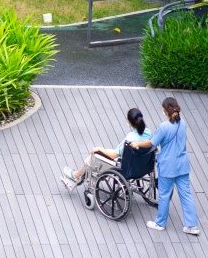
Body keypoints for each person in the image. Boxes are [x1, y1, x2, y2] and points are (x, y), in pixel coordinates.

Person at [131, 96, 200, 234]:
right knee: (186, 195)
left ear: (165, 110)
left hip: (168, 166)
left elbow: (151, 143)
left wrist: (137, 143)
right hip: (182, 165)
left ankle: (160, 223)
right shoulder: (183, 124)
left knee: (164, 195)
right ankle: (191, 225)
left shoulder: (163, 127)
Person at [61, 107, 153, 191]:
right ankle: (77, 175)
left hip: (127, 168)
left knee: (92, 158)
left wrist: (99, 149)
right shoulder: (149, 133)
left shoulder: (130, 139)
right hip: (143, 167)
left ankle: (75, 176)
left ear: (129, 122)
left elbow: (114, 155)